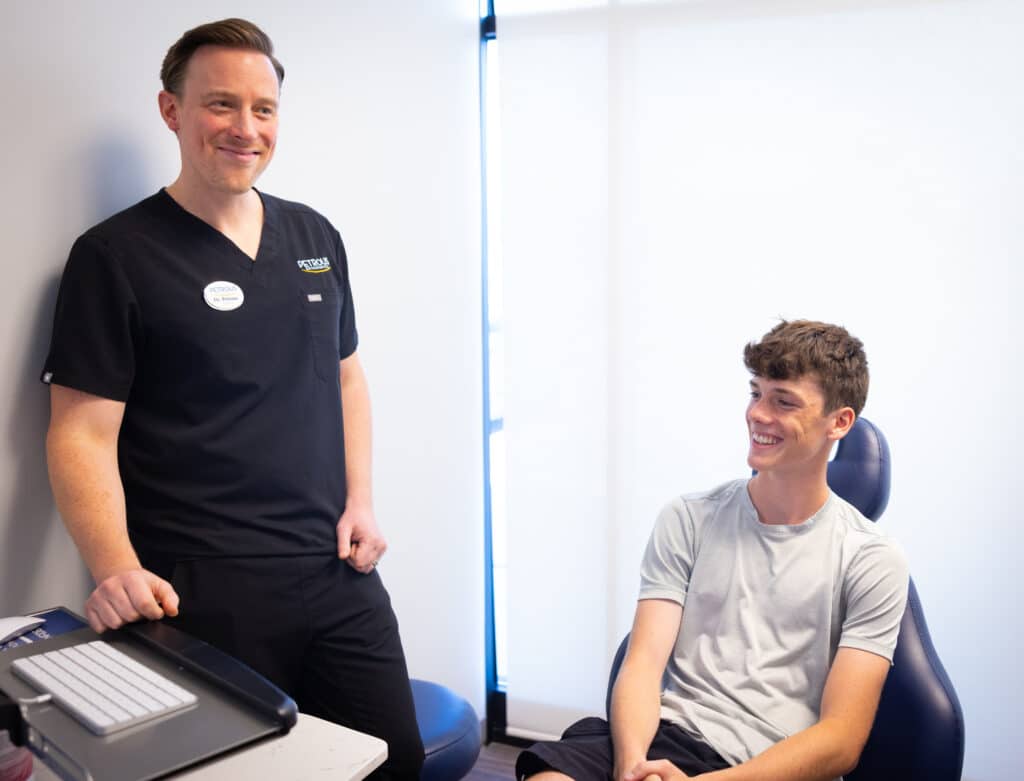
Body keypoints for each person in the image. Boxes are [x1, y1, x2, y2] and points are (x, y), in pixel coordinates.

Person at [40, 18, 423, 779]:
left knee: (392, 761)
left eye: (264, 109)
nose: (245, 128)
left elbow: (347, 376)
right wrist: (113, 565)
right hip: (202, 585)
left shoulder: (315, 235)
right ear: (171, 110)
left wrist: (362, 500)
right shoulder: (114, 257)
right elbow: (80, 432)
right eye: (221, 104)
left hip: (336, 569)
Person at [517, 320, 909, 781]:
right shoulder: (689, 518)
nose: (758, 414)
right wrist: (633, 767)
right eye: (755, 393)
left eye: (783, 401)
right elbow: (642, 664)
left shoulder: (872, 560)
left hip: (772, 765)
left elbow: (841, 739)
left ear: (839, 422)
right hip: (664, 739)